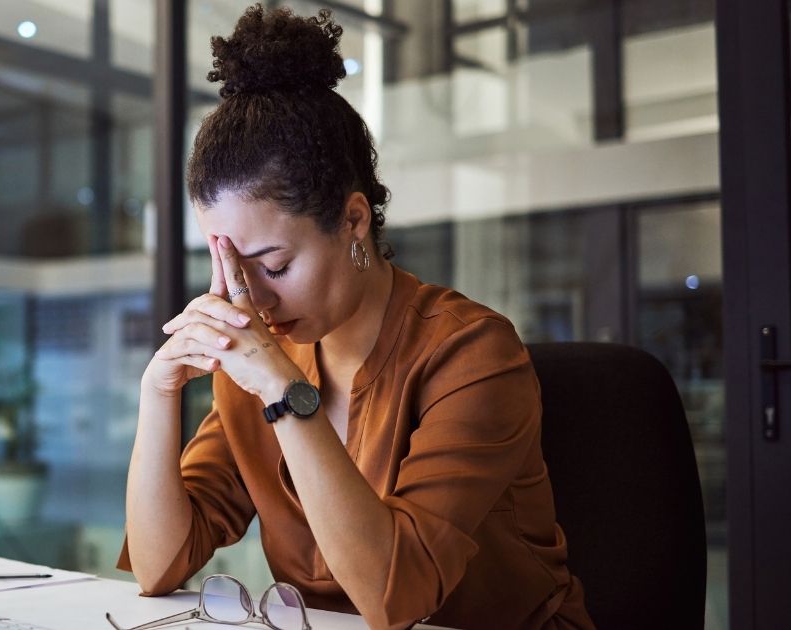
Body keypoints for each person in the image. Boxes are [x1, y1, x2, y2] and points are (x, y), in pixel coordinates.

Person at [118, 5, 595, 629]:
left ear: (353, 220)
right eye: (232, 269)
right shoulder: (259, 365)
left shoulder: (473, 353)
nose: (251, 301)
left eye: (274, 265)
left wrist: (285, 394)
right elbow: (159, 567)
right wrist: (158, 390)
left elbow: (396, 595)